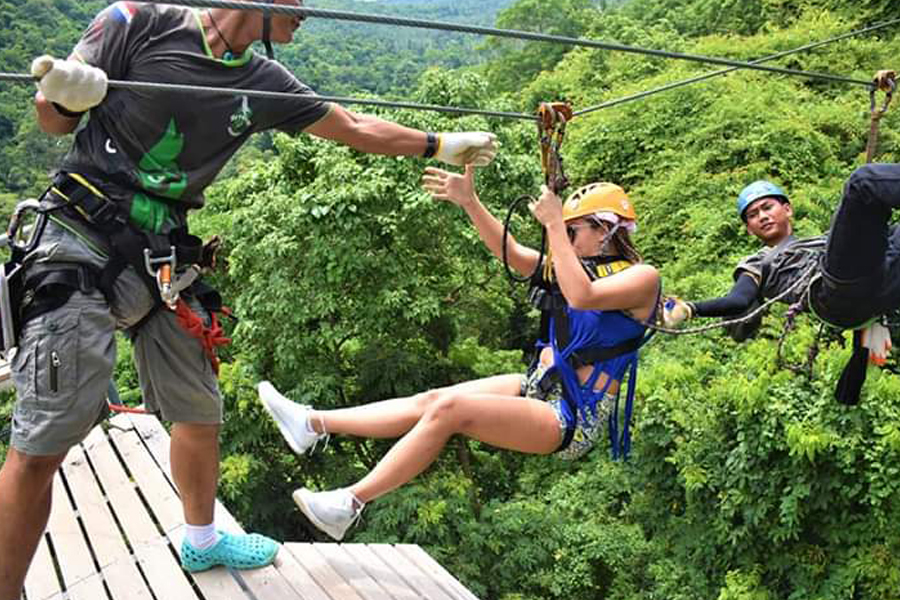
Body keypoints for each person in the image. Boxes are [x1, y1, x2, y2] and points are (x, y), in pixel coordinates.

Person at [0, 0, 500, 595]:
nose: (306, 16)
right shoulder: (137, 21)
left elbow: (355, 128)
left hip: (163, 254)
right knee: (46, 439)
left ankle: (202, 538)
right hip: (82, 239)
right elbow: (52, 119)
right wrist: (64, 98)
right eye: (298, 5)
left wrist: (440, 143)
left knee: (198, 408)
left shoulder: (263, 81)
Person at [257, 164, 660, 541]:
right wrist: (470, 200)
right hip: (540, 386)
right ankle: (312, 424)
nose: (566, 243)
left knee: (451, 414)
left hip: (572, 416)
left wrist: (555, 224)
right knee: (435, 400)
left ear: (605, 231)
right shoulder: (576, 264)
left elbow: (582, 295)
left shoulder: (642, 279)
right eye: (566, 233)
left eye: (575, 233)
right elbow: (513, 254)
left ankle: (350, 502)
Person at [663, 167, 900, 399]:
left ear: (787, 210)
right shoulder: (758, 262)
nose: (762, 216)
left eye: (767, 207)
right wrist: (690, 308)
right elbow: (738, 301)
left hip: (879, 281)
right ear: (748, 229)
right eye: (753, 215)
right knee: (862, 183)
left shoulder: (817, 241)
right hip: (834, 292)